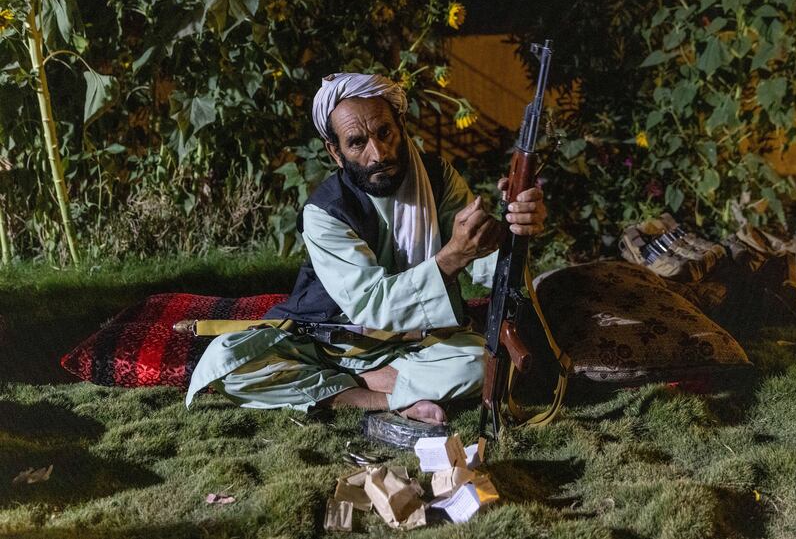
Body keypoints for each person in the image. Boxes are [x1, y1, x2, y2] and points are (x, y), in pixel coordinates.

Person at [186, 73, 546, 425]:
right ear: (336, 152)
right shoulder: (325, 212)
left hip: (422, 343)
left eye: (385, 133)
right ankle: (380, 396)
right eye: (357, 142)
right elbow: (372, 306)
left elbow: (487, 266)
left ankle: (355, 389)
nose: (378, 153)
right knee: (231, 365)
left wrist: (515, 230)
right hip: (333, 345)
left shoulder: (438, 178)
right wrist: (452, 256)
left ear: (401, 125)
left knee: (480, 364)